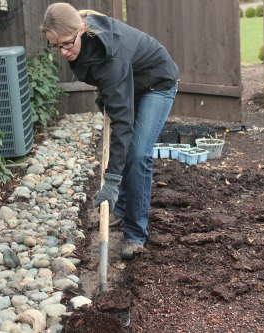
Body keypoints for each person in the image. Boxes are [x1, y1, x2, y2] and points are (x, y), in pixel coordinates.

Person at [41, 3, 179, 260]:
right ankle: (122, 206)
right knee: (127, 148)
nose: (62, 51)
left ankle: (135, 233)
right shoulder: (79, 28)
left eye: (67, 44)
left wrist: (112, 181)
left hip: (156, 84)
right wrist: (108, 93)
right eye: (55, 45)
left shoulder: (112, 57)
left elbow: (122, 124)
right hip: (130, 80)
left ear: (81, 30)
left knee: (137, 154)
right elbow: (84, 12)